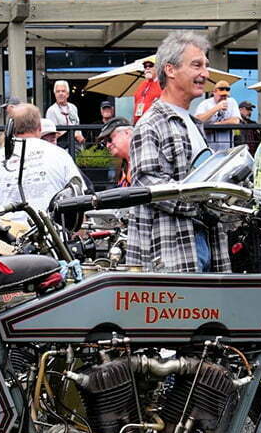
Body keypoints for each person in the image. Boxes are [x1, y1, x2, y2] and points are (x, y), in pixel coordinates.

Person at [128, 30, 230, 273]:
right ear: (170, 70)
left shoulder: (193, 123)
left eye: (206, 65)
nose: (205, 74)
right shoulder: (151, 122)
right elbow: (148, 184)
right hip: (172, 251)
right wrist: (206, 203)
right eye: (196, 65)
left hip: (201, 240)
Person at [0, 103, 80, 224]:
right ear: (40, 127)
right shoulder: (60, 155)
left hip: (11, 238)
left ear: (10, 129)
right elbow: (79, 197)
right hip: (54, 238)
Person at [195, 79, 239, 151]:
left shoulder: (232, 102)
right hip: (208, 147)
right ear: (214, 92)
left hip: (227, 147)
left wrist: (217, 124)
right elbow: (197, 120)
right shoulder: (205, 104)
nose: (224, 98)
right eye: (221, 95)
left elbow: (235, 120)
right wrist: (216, 108)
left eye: (225, 96)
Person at [45, 80, 84, 150]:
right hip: (61, 148)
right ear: (55, 94)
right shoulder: (51, 110)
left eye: (63, 91)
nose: (60, 93)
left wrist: (80, 136)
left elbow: (77, 126)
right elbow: (51, 134)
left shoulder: (73, 108)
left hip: (76, 147)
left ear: (68, 94)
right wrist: (71, 133)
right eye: (58, 91)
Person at [98, 116, 132, 187]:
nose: (107, 145)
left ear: (127, 133)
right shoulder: (123, 166)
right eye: (104, 142)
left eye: (109, 139)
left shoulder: (143, 156)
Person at [133, 59, 162, 123]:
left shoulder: (162, 84)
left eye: (150, 65)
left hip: (153, 122)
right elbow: (136, 102)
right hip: (138, 122)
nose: (147, 68)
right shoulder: (142, 85)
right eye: (145, 66)